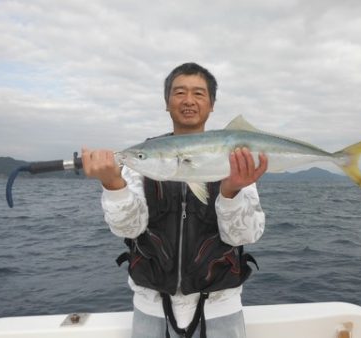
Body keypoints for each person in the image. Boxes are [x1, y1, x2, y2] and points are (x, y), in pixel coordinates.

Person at [82, 62, 268, 338]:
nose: (189, 100)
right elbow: (128, 230)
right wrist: (113, 185)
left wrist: (230, 193)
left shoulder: (236, 158)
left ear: (212, 104)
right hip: (151, 306)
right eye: (179, 92)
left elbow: (245, 235)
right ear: (166, 102)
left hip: (220, 306)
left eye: (199, 93)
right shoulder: (142, 157)